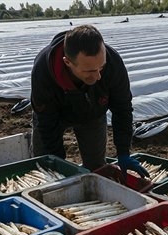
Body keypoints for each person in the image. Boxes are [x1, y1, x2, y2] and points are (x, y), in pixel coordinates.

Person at [30, 25, 148, 177]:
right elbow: (47, 122)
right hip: (54, 115)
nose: (98, 76)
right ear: (67, 63)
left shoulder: (113, 63)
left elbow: (122, 108)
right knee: (47, 166)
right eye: (90, 71)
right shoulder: (44, 71)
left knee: (96, 166)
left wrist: (123, 152)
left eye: (101, 67)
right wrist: (58, 165)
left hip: (93, 112)